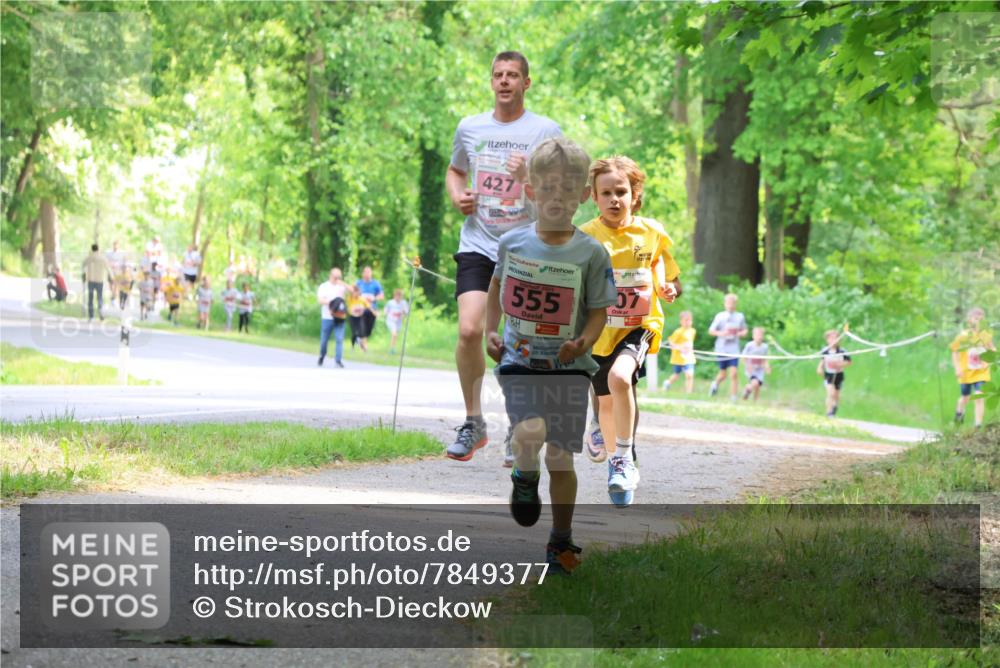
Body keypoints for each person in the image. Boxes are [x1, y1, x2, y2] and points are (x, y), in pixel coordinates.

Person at [484, 137, 615, 574]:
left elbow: (599, 310)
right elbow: (495, 289)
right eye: (548, 188)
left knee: (561, 457)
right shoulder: (513, 243)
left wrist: (584, 342)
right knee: (530, 431)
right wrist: (489, 331)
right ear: (530, 191)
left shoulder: (591, 253)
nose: (557, 198)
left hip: (570, 368)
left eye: (567, 189)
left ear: (583, 195)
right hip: (520, 361)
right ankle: (524, 475)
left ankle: (560, 541)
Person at [445, 50, 563, 463]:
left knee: (519, 341)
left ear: (526, 83)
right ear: (491, 81)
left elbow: (563, 189)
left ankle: (520, 423)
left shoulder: (546, 131)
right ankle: (473, 422)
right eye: (498, 74)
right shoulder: (470, 127)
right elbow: (456, 170)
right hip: (478, 242)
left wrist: (529, 176)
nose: (505, 81)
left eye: (513, 75)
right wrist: (458, 196)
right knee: (469, 330)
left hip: (527, 246)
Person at [580, 156, 680, 507]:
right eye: (606, 193)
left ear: (634, 195)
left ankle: (623, 457)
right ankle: (617, 464)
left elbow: (665, 268)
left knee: (621, 379)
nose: (614, 199)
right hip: (599, 331)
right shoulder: (585, 236)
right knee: (606, 403)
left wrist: (667, 287)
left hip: (639, 325)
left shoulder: (651, 231)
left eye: (621, 192)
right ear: (594, 196)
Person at [950, 307, 995, 428]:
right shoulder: (963, 336)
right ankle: (959, 414)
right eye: (976, 319)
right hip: (966, 372)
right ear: (969, 320)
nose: (978, 321)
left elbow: (992, 348)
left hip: (981, 372)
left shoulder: (985, 335)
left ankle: (977, 425)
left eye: (981, 319)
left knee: (979, 396)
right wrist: (957, 368)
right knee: (965, 397)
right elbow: (954, 351)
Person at [708, 293, 748, 401]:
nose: (730, 305)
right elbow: (711, 331)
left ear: (735, 304)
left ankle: (733, 396)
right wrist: (722, 333)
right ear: (725, 304)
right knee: (723, 374)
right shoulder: (720, 316)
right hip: (721, 349)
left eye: (732, 303)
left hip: (734, 349)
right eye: (728, 303)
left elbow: (744, 330)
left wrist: (741, 333)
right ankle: (715, 384)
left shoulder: (740, 316)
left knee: (734, 373)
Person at [317, 268, 348, 368]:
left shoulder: (341, 287)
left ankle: (338, 360)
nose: (337, 279)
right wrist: (333, 302)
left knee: (339, 339)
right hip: (327, 317)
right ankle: (322, 355)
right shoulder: (324, 286)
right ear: (331, 275)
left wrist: (343, 284)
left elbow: (354, 291)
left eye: (339, 277)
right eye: (336, 277)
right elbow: (320, 300)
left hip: (340, 317)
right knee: (324, 340)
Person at [817, 329, 852, 417]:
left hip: (839, 375)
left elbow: (849, 362)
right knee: (830, 393)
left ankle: (835, 407)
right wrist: (820, 368)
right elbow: (822, 360)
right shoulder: (825, 351)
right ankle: (828, 412)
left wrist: (839, 364)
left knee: (836, 395)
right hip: (829, 375)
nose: (833, 340)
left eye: (835, 338)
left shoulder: (842, 351)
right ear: (827, 340)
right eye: (830, 338)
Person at [663, 310, 696, 394]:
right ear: (681, 321)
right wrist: (680, 348)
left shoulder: (692, 331)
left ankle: (689, 392)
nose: (688, 322)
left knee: (689, 375)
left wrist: (689, 349)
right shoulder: (678, 332)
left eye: (689, 320)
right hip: (678, 358)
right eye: (686, 320)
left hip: (688, 357)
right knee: (676, 375)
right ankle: (667, 383)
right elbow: (671, 342)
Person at [355, 266, 384, 353]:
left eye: (368, 272)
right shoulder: (359, 283)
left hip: (372, 309)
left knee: (369, 329)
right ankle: (364, 346)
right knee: (362, 325)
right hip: (361, 309)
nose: (367, 274)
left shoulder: (376, 284)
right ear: (363, 274)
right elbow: (353, 294)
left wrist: (374, 298)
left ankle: (359, 338)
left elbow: (381, 296)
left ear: (371, 273)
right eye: (365, 272)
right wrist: (360, 298)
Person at [82, 243, 113, 321]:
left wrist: (84, 275)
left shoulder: (88, 258)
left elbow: (83, 266)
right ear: (98, 249)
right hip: (99, 280)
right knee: (100, 297)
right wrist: (111, 277)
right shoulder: (102, 258)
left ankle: (91, 316)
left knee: (90, 298)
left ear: (92, 249)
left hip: (91, 280)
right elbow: (108, 268)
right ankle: (101, 313)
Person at [741, 327, 771, 401]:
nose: (759, 337)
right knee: (755, 382)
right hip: (751, 369)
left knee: (758, 385)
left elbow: (765, 360)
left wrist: (767, 367)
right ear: (753, 336)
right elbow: (743, 358)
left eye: (761, 335)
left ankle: (755, 400)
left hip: (760, 370)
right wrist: (748, 365)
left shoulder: (765, 347)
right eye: (757, 335)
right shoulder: (749, 345)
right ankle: (747, 390)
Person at [384, 288, 410, 355]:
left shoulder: (403, 303)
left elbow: (406, 312)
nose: (398, 297)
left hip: (398, 322)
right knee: (394, 334)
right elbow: (386, 311)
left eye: (400, 296)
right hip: (391, 321)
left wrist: (403, 313)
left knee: (395, 336)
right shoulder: (390, 302)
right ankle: (392, 349)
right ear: (394, 296)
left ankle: (393, 348)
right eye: (397, 295)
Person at [346, 284, 368, 350]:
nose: (356, 294)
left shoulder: (362, 299)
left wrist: (363, 310)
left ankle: (363, 345)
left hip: (360, 317)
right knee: (354, 332)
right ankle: (353, 346)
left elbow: (367, 307)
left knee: (362, 331)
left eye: (357, 292)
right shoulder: (350, 299)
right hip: (352, 317)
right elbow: (348, 308)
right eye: (354, 293)